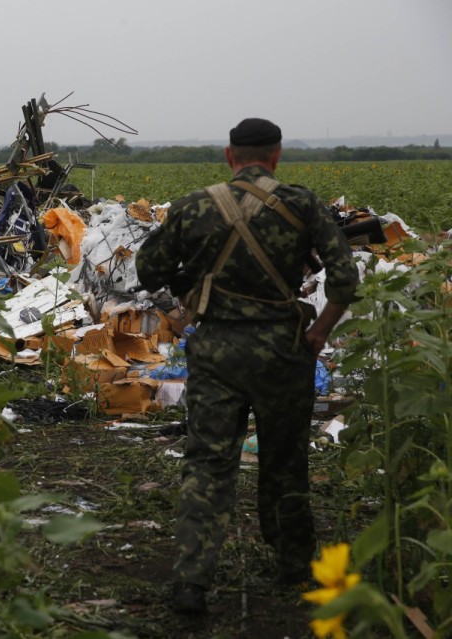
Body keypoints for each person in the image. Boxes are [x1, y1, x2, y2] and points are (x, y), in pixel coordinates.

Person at [134, 118, 360, 615]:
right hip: (283, 352)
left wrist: (194, 278)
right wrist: (318, 333)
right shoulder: (301, 204)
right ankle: (292, 566)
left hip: (215, 351)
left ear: (228, 155)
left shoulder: (194, 206)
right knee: (285, 460)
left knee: (208, 462)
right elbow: (345, 278)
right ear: (277, 156)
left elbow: (147, 270)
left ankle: (191, 581)